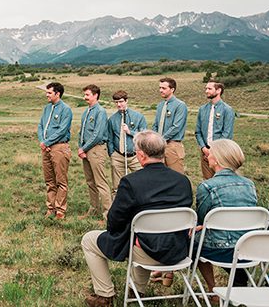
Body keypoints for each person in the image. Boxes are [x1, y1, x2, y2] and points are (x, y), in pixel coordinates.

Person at [80, 130, 192, 307]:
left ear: (140, 155)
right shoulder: (183, 181)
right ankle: (137, 290)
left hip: (147, 251)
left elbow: (114, 221)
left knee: (90, 240)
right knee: (142, 234)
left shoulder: (130, 182)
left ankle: (104, 295)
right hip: (178, 250)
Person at [192, 138, 259, 294]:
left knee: (190, 238)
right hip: (247, 246)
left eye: (210, 154)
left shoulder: (207, 186)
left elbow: (202, 220)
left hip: (220, 248)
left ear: (217, 159)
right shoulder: (249, 184)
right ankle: (239, 280)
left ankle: (212, 288)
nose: (207, 156)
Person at [38, 82, 73, 219]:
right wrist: (43, 142)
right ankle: (50, 207)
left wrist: (47, 142)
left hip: (59, 147)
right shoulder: (47, 108)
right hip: (45, 148)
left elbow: (62, 130)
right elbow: (41, 126)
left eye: (49, 93)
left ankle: (60, 210)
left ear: (57, 94)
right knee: (49, 180)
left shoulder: (66, 109)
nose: (47, 95)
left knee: (61, 181)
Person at [78, 85, 112, 219]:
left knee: (100, 182)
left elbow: (97, 135)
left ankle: (107, 214)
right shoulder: (87, 111)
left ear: (95, 95)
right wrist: (81, 147)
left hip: (96, 149)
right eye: (85, 95)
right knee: (90, 181)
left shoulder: (100, 112)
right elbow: (82, 132)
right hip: (86, 150)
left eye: (87, 95)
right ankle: (93, 209)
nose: (85, 97)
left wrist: (83, 148)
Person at [106, 90, 146, 195]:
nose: (119, 104)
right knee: (117, 187)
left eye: (121, 101)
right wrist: (112, 154)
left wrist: (130, 132)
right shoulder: (112, 119)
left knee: (142, 183)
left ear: (126, 101)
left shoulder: (138, 117)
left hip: (135, 156)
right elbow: (110, 138)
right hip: (118, 156)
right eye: (116, 102)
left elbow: (144, 136)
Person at [195, 79, 235, 180]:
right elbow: (198, 131)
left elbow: (227, 133)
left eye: (209, 88)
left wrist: (213, 150)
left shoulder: (227, 110)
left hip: (221, 153)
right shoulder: (202, 109)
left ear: (218, 90)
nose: (206, 91)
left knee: (222, 181)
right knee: (208, 180)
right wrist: (204, 148)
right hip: (205, 153)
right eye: (206, 88)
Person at [152, 78, 188, 174]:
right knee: (161, 176)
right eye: (160, 88)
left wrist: (161, 139)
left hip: (173, 146)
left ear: (172, 89)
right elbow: (155, 124)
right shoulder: (160, 105)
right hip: (160, 147)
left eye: (164, 88)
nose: (160, 90)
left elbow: (176, 126)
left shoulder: (180, 105)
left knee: (176, 176)